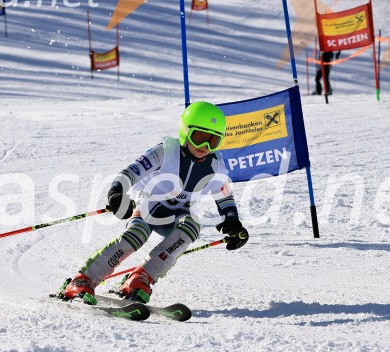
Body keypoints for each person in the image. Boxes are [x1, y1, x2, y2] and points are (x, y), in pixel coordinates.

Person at [58, 101, 249, 304]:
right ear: (185, 132)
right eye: (200, 138)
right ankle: (83, 279)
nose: (205, 147)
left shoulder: (215, 165)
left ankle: (140, 278)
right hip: (148, 205)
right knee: (136, 235)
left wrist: (232, 222)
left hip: (177, 215)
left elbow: (224, 195)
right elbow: (130, 173)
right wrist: (117, 192)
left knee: (191, 227)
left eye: (213, 141)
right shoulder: (166, 151)